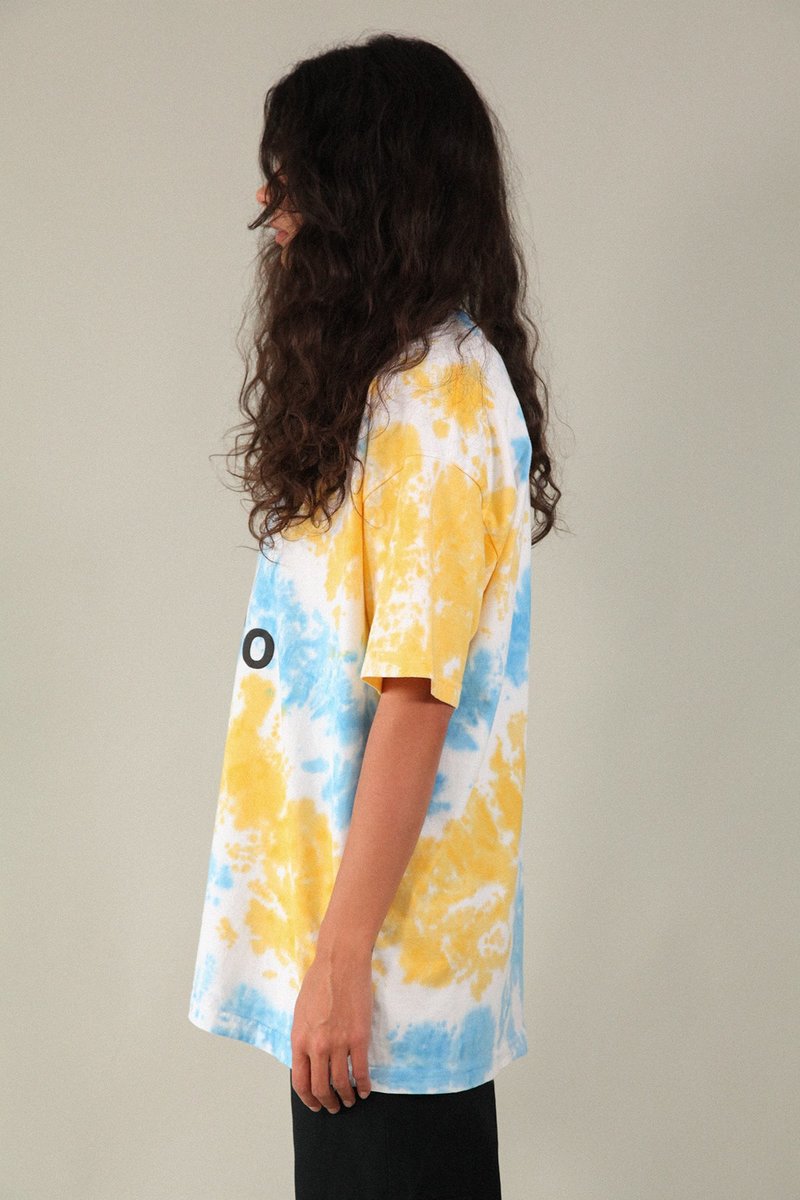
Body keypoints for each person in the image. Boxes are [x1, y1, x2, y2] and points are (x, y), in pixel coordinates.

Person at [188, 31, 561, 1200]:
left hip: (383, 973)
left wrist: (343, 961)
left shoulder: (435, 402)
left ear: (363, 195)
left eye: (290, 185)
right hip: (363, 959)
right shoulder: (401, 384)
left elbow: (416, 695)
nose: (271, 215)